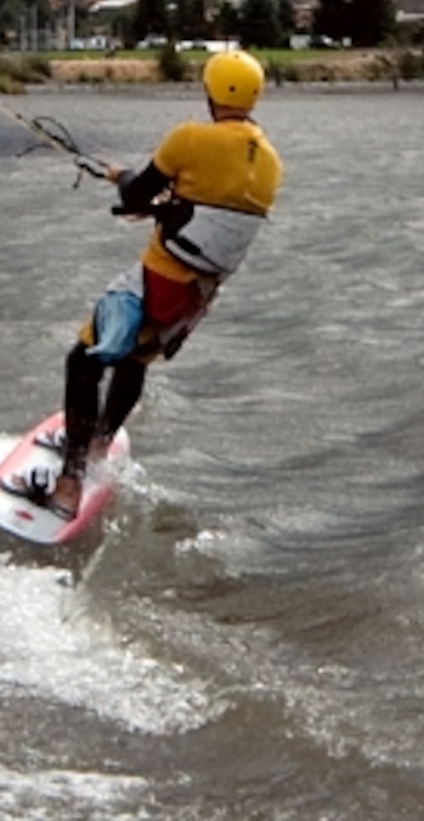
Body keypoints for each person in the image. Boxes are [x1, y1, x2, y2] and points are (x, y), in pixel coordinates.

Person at [38, 47, 284, 515]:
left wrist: (122, 177)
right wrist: (167, 206)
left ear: (210, 93)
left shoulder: (190, 139)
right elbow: (212, 213)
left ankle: (69, 482)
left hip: (156, 282)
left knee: (84, 360)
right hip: (194, 298)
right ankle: (100, 445)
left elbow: (136, 194)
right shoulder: (271, 163)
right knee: (136, 359)